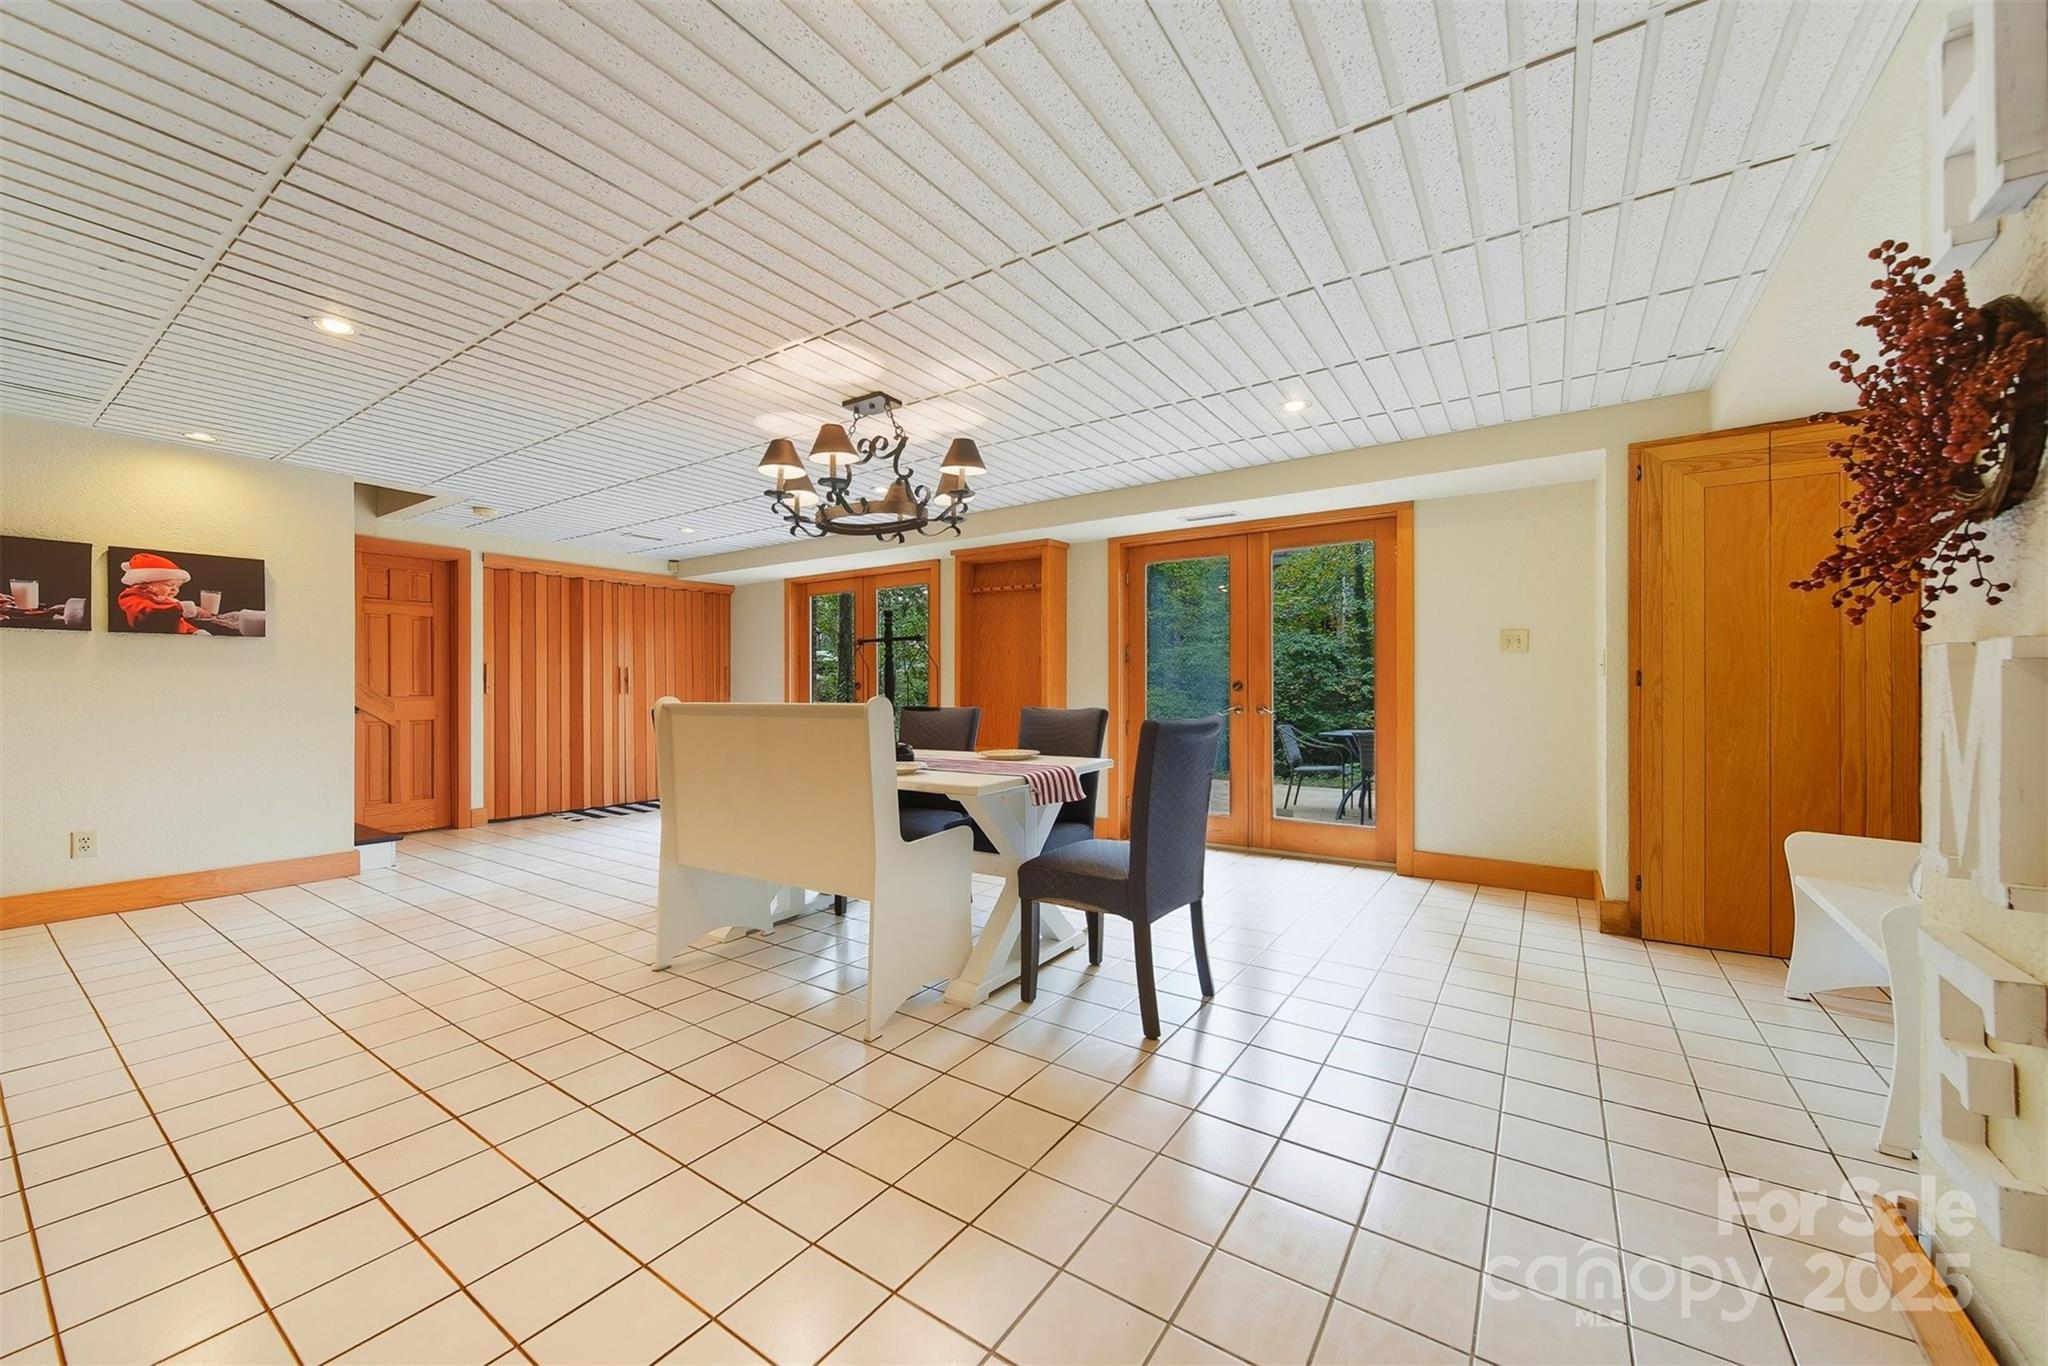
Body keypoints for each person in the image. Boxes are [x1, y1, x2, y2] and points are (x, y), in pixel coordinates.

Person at [115, 551, 233, 634]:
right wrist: (187, 608)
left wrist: (195, 632)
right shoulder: (131, 596)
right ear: (146, 583)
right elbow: (150, 613)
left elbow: (179, 623)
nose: (175, 590)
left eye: (177, 586)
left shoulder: (167, 601)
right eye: (169, 585)